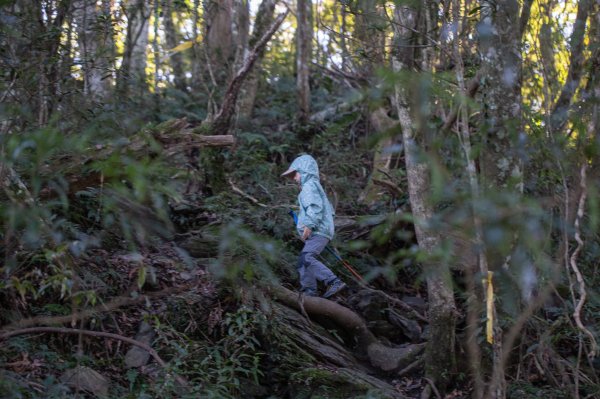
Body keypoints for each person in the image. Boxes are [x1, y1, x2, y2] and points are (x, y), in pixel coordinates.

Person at [281, 154, 346, 298]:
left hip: (319, 231)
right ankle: (309, 291)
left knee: (307, 258)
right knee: (303, 261)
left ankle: (333, 281)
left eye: (295, 174)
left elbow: (315, 207)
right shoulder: (311, 187)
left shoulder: (309, 186)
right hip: (319, 231)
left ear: (304, 171)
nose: (294, 179)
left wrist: (309, 226)